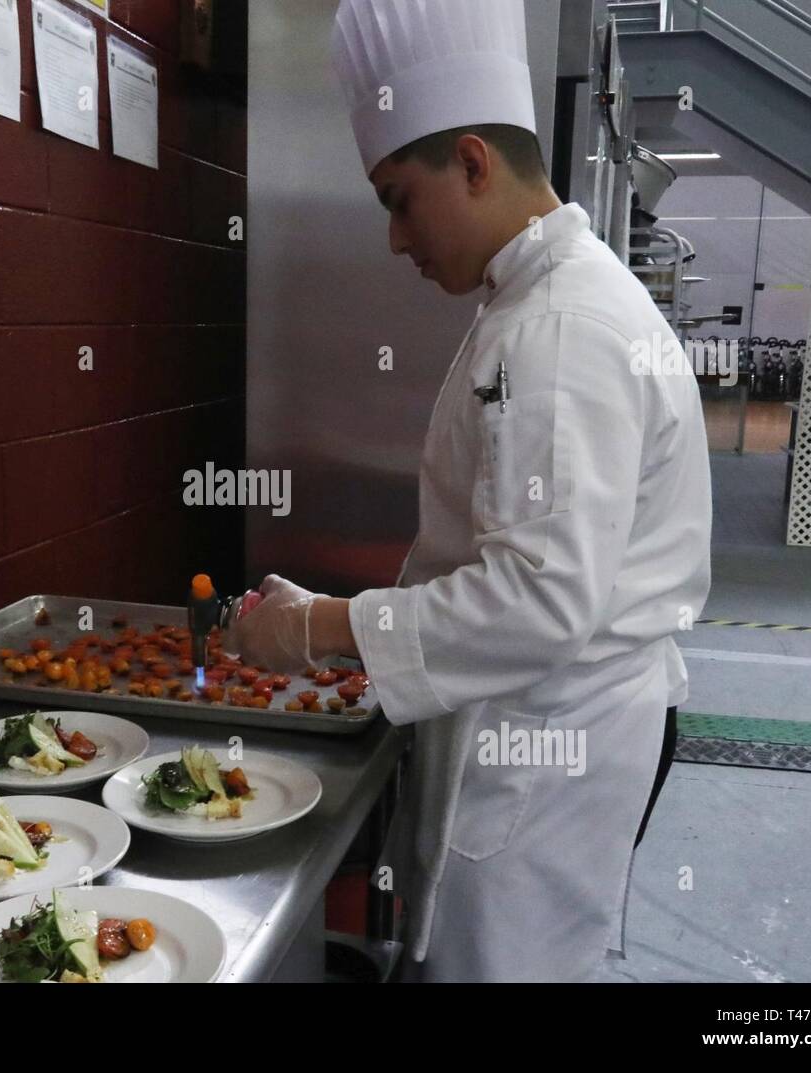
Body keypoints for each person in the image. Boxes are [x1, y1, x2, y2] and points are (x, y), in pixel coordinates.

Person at [229, 0, 712, 982]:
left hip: (551, 738)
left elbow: (538, 601)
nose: (397, 241)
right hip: (548, 717)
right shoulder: (542, 298)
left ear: (475, 164)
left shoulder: (560, 330)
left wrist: (323, 625)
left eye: (399, 199)